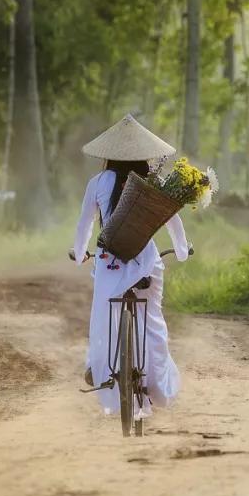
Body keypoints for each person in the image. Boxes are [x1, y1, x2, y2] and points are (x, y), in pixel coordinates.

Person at [72, 114, 190, 417]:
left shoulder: (97, 182)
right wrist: (181, 251)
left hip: (109, 260)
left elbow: (84, 225)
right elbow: (172, 221)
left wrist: (79, 251)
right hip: (144, 261)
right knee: (151, 321)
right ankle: (152, 383)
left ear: (110, 153)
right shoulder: (154, 183)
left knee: (104, 316)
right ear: (144, 154)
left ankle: (98, 365)